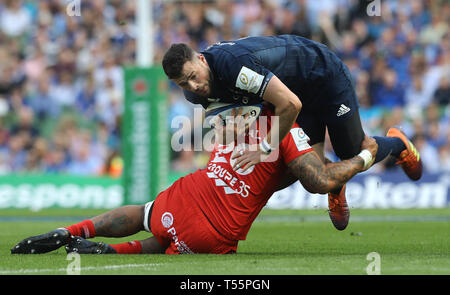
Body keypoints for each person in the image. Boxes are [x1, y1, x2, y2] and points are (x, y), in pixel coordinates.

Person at [11, 104, 378, 255]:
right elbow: (317, 179)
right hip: (217, 226)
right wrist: (363, 158)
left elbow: (272, 173)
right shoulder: (288, 130)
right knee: (174, 240)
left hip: (188, 192)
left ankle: (76, 231)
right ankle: (113, 252)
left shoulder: (235, 115)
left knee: (146, 215)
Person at [161, 35, 423, 215]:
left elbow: (291, 105)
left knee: (352, 152)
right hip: (292, 92)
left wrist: (263, 148)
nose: (193, 86)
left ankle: (398, 143)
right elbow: (227, 121)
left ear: (202, 60)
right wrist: (231, 132)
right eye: (184, 83)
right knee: (310, 170)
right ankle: (336, 184)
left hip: (323, 77)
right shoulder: (194, 94)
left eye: (193, 77)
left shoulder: (233, 66)